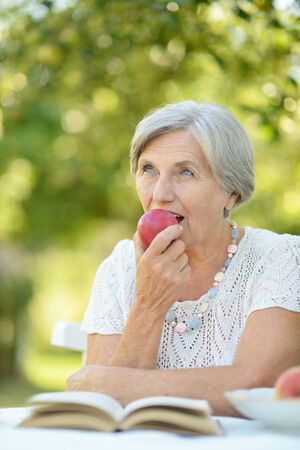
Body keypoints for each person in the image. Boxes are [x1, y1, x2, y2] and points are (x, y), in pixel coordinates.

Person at [67, 101, 300, 416]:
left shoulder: (279, 259)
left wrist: (104, 383)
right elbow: (102, 414)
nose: (160, 193)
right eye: (149, 169)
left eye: (185, 172)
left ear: (231, 192)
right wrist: (148, 304)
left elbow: (255, 386)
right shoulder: (120, 267)